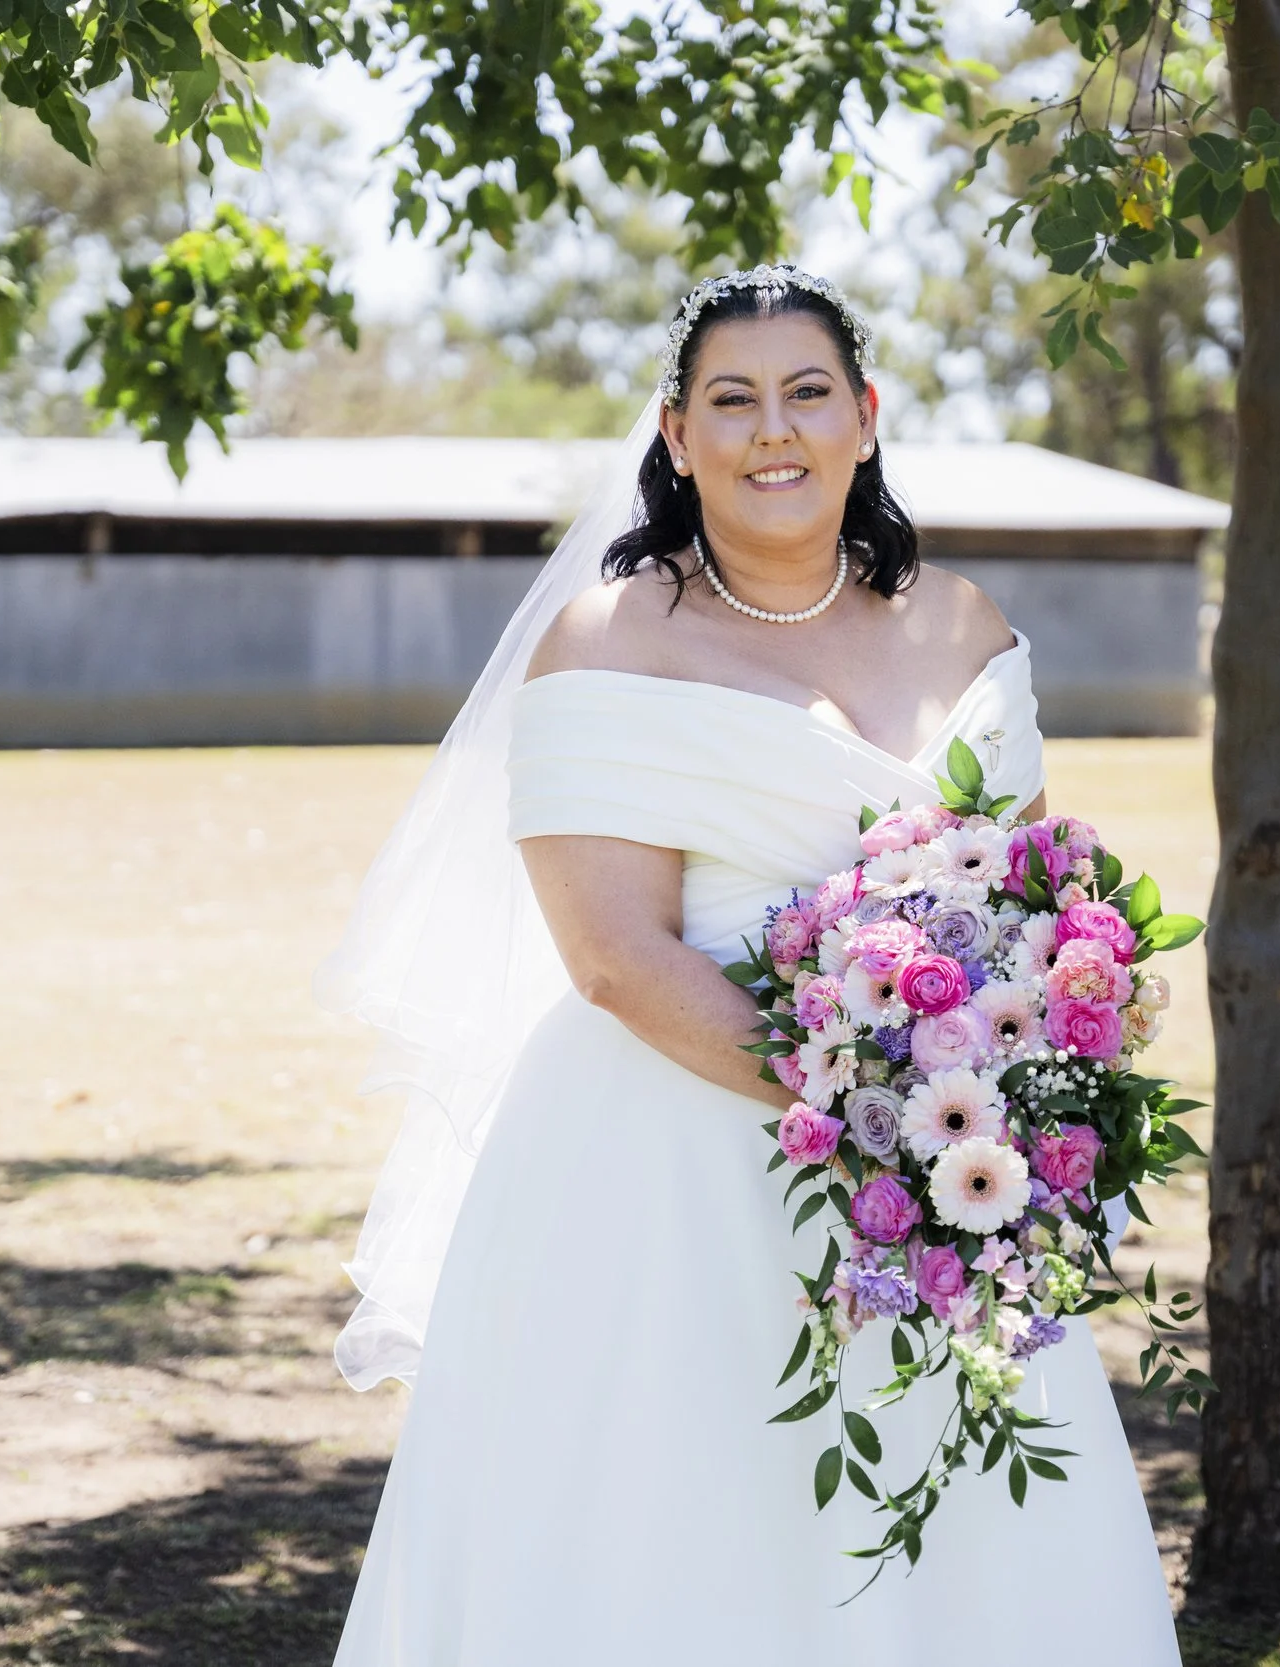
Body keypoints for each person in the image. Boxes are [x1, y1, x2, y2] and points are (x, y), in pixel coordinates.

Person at [322, 265, 1181, 1661]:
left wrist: (1012, 1081)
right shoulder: (608, 644)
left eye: (807, 393)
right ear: (676, 436)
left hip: (947, 1173)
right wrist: (876, 1111)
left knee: (956, 1531)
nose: (772, 430)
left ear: (866, 416)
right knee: (685, 1526)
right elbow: (613, 956)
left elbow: (1029, 890)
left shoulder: (964, 623)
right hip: (670, 1159)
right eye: (731, 400)